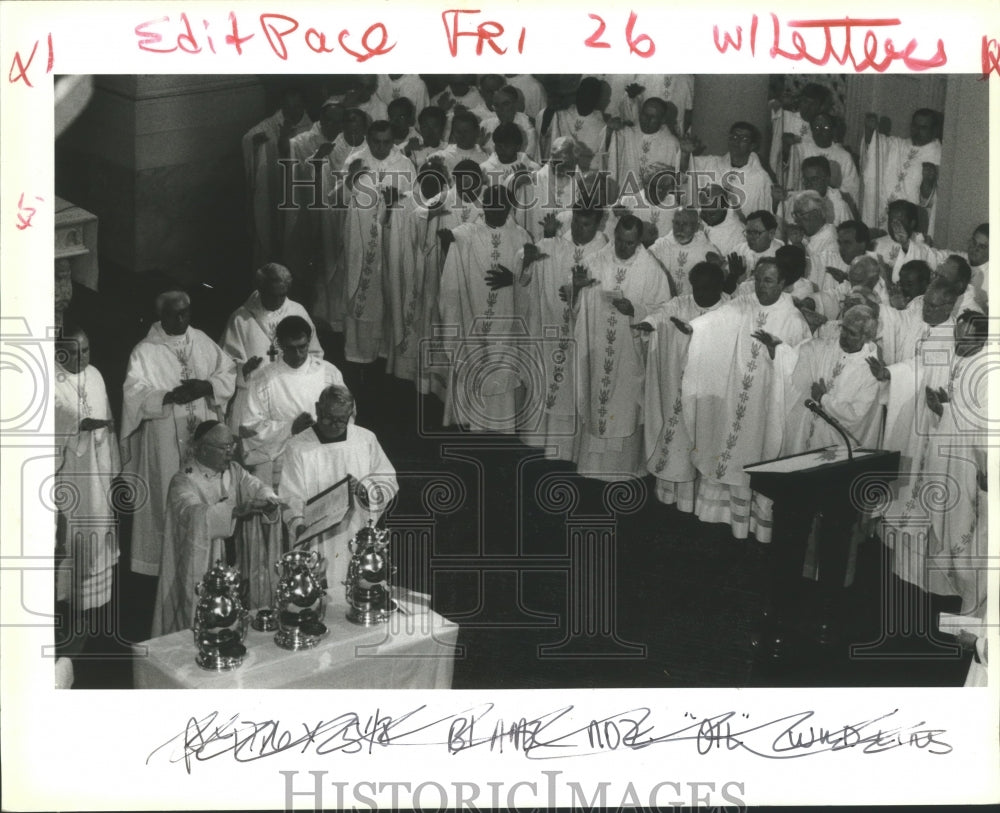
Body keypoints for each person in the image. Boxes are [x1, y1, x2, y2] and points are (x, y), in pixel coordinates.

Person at [682, 258, 811, 541]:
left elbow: (803, 365)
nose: (761, 286)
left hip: (765, 402)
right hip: (735, 394)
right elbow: (715, 321)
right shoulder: (743, 303)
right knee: (727, 449)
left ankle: (753, 525)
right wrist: (695, 329)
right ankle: (724, 516)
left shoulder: (792, 319)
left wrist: (778, 350)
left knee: (756, 452)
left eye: (768, 281)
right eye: (759, 279)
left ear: (782, 284)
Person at [120, 291, 236, 577]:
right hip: (164, 441)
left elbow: (229, 371)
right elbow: (133, 393)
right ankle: (167, 567)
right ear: (161, 316)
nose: (183, 318)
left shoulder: (202, 341)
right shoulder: (145, 351)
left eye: (187, 312)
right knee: (166, 495)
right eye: (175, 314)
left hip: (202, 436)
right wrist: (168, 395)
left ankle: (210, 562)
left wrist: (206, 387)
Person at [866, 292, 971, 599]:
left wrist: (948, 411)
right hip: (926, 434)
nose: (961, 343)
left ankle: (942, 589)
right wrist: (890, 374)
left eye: (934, 305)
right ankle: (907, 578)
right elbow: (918, 368)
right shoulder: (942, 340)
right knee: (914, 507)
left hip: (952, 452)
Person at [152, 421, 283, 636]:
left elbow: (256, 486)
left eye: (232, 446)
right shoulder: (183, 480)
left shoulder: (234, 470)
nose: (230, 453)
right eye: (224, 448)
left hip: (235, 559)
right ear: (203, 448)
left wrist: (268, 498)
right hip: (203, 566)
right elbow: (191, 512)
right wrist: (232, 511)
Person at [573, 214, 672, 481]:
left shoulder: (651, 270)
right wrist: (577, 289)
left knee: (626, 408)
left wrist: (636, 311)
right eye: (619, 241)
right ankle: (591, 467)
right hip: (598, 346)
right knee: (599, 402)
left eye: (630, 243)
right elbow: (577, 302)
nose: (623, 248)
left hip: (630, 353)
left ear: (639, 241)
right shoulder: (596, 261)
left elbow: (665, 311)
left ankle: (625, 469)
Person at [280, 385, 397, 603]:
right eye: (328, 418)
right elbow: (290, 494)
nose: (334, 426)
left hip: (356, 529)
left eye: (341, 419)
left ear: (350, 413)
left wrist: (364, 490)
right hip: (316, 536)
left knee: (359, 592)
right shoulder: (298, 446)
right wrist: (298, 525)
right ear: (317, 409)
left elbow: (388, 478)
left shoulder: (365, 439)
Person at [436, 184, 531, 432]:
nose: (496, 211)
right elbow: (451, 274)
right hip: (473, 318)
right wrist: (448, 245)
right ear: (484, 205)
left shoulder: (521, 237)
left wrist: (513, 279)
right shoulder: (466, 234)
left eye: (502, 207)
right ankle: (468, 420)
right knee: (472, 359)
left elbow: (532, 279)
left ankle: (504, 424)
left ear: (509, 207)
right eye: (491, 206)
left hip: (506, 318)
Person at [517, 203, 608, 459]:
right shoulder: (554, 244)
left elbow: (608, 291)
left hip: (581, 333)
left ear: (599, 223)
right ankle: (540, 441)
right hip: (551, 328)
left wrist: (578, 292)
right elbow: (523, 273)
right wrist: (528, 258)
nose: (579, 228)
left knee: (576, 383)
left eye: (587, 224)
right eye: (577, 221)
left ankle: (572, 450)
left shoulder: (603, 253)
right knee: (549, 378)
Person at [54, 323, 120, 649]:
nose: (82, 358)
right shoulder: (52, 380)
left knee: (98, 545)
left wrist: (114, 470)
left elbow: (107, 419)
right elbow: (59, 420)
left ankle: (91, 629)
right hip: (72, 477)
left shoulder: (95, 375)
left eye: (87, 350)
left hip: (98, 474)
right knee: (74, 545)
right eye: (74, 352)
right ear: (59, 352)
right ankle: (68, 621)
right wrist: (81, 426)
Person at [643, 261, 729, 509]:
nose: (700, 295)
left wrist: (696, 333)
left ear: (719, 288)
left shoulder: (730, 310)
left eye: (707, 289)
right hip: (680, 390)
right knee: (680, 439)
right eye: (697, 289)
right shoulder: (682, 303)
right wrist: (650, 323)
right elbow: (661, 313)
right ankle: (675, 497)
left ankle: (706, 504)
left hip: (710, 394)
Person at [238, 315, 345, 488]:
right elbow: (249, 428)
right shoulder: (263, 379)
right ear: (279, 344)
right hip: (282, 465)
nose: (298, 354)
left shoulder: (329, 373)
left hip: (324, 457)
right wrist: (290, 428)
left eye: (302, 347)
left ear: (309, 341)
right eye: (291, 348)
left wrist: (325, 426)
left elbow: (348, 413)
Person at [341, 120, 415, 364]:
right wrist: (350, 181)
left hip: (393, 238)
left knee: (390, 288)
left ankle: (388, 355)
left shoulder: (404, 164)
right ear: (368, 139)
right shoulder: (355, 161)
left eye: (387, 142)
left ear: (393, 141)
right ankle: (360, 354)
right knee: (363, 288)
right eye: (376, 142)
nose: (382, 148)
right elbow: (340, 200)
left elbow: (414, 203)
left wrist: (397, 202)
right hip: (362, 242)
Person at [220, 263, 322, 435]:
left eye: (282, 295)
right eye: (271, 295)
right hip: (256, 396)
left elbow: (315, 354)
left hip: (293, 394)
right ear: (260, 289)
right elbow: (224, 363)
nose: (277, 301)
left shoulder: (298, 311)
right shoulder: (241, 318)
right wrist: (242, 370)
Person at [782, 304, 882, 454]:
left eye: (852, 333)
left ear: (866, 338)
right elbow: (802, 352)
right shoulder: (829, 347)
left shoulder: (871, 371)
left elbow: (856, 415)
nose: (844, 336)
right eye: (844, 329)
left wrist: (823, 399)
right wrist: (778, 350)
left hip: (837, 444)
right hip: (808, 433)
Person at [241, 87, 312, 269]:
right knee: (272, 231)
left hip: (299, 193)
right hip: (274, 190)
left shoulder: (310, 128)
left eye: (297, 106)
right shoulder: (271, 124)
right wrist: (256, 145)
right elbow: (248, 139)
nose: (292, 111)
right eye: (288, 107)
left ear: (303, 106)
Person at [861, 108, 942, 237]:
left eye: (923, 127)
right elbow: (876, 148)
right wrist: (870, 130)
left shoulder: (938, 156)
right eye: (915, 126)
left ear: (934, 130)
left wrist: (928, 183)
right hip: (883, 213)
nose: (917, 131)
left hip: (910, 222)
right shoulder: (898, 145)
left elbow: (933, 203)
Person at [685, 121, 773, 219]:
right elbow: (687, 168)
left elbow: (767, 214)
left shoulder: (760, 178)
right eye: (734, 137)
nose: (737, 141)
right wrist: (685, 153)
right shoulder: (712, 164)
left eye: (744, 139)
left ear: (752, 146)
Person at [606, 97, 681, 196]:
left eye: (653, 117)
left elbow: (674, 181)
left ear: (662, 120)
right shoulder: (625, 134)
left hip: (655, 203)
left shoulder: (671, 143)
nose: (647, 120)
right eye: (644, 114)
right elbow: (610, 160)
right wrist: (610, 130)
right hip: (625, 200)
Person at [787, 111, 860, 204]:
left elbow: (851, 190)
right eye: (816, 128)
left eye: (825, 127)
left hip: (834, 205)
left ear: (833, 130)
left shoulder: (844, 156)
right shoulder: (800, 149)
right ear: (811, 130)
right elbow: (793, 181)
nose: (820, 131)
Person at [648, 207, 720, 298]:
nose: (680, 229)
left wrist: (716, 266)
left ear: (696, 227)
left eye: (685, 224)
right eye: (677, 223)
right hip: (665, 304)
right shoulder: (663, 244)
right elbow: (645, 257)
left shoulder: (706, 249)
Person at [791, 190, 841, 318]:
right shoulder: (806, 235)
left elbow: (822, 275)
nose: (796, 220)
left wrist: (798, 248)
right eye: (794, 214)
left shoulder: (831, 240)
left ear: (817, 214)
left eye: (800, 214)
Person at [539, 76, 607, 169]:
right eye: (582, 93)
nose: (584, 98)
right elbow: (544, 133)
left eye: (589, 95)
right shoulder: (562, 115)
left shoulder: (601, 126)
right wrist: (550, 109)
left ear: (595, 99)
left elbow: (599, 159)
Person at [871, 199, 941, 284]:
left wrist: (905, 244)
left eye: (899, 222)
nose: (895, 226)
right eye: (891, 221)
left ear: (912, 223)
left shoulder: (922, 243)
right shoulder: (877, 244)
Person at [479, 84, 539, 161]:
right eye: (497, 105)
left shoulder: (528, 129)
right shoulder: (485, 125)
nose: (500, 109)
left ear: (516, 104)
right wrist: (478, 147)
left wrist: (483, 151)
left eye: (505, 104)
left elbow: (524, 161)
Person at [480, 121, 540, 190]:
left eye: (507, 146)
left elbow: (540, 196)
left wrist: (526, 182)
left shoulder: (533, 168)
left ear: (518, 146)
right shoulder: (484, 169)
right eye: (499, 146)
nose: (501, 150)